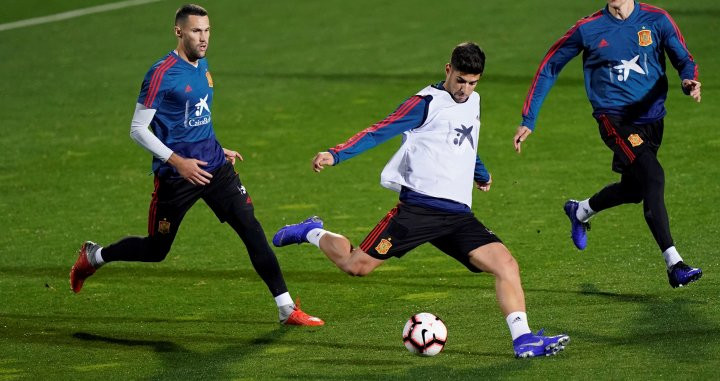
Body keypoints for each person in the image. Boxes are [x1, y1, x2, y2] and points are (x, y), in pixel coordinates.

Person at [273, 42, 569, 358]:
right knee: (356, 266)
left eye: (472, 83)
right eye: (460, 80)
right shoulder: (425, 103)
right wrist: (336, 154)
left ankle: (523, 340)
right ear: (448, 70)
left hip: (457, 216)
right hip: (417, 211)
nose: (465, 89)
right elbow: (378, 131)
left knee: (506, 264)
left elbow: (465, 140)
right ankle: (311, 231)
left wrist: (480, 173)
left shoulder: (473, 100)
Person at [69, 4, 323, 326]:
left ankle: (286, 308)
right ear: (178, 32)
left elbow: (197, 117)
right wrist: (178, 162)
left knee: (250, 228)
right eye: (195, 31)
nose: (203, 39)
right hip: (177, 177)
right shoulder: (161, 74)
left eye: (206, 31)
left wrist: (217, 147)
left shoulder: (202, 64)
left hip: (215, 167)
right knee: (156, 249)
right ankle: (94, 256)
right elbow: (137, 129)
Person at [513, 0, 702, 288]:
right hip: (614, 118)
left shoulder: (657, 19)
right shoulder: (588, 29)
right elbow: (550, 65)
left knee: (635, 189)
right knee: (653, 175)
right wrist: (529, 118)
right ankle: (674, 264)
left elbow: (683, 58)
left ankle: (580, 210)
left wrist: (689, 79)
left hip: (652, 119)